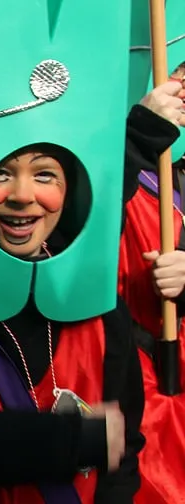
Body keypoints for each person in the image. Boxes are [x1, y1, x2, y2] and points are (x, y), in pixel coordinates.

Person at [0, 2, 179, 502]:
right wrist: (78, 439)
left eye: (45, 175)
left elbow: (127, 447)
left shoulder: (96, 301)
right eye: (1, 172)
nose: (23, 195)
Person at [119, 10, 185, 500]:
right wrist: (138, 136)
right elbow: (82, 227)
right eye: (181, 80)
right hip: (140, 386)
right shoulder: (115, 167)